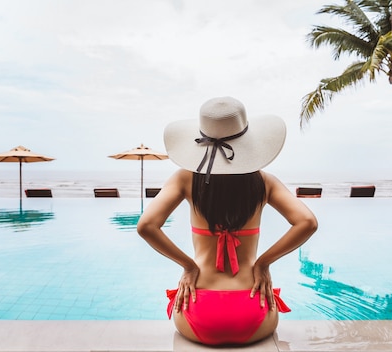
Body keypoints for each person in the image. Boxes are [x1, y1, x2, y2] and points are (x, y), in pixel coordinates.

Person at [136, 96, 318, 346]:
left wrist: (188, 266)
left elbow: (146, 225)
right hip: (254, 310)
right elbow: (307, 222)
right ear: (247, 141)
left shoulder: (185, 179)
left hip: (198, 312)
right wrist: (263, 263)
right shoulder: (264, 182)